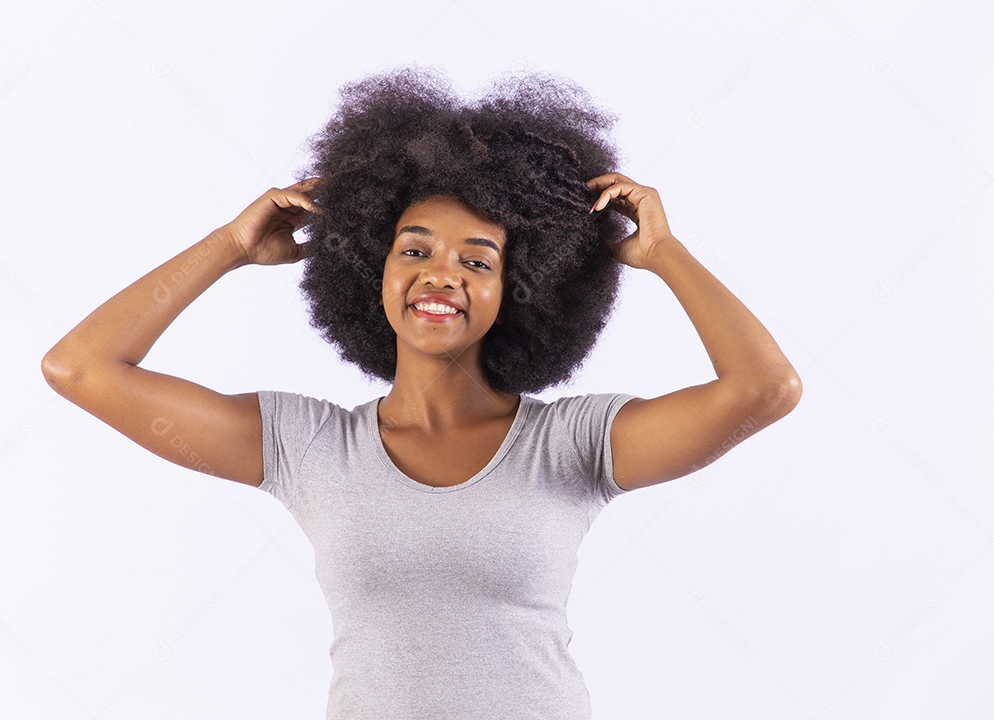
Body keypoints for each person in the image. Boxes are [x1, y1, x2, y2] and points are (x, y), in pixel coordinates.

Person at [41, 67, 801, 719]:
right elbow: (82, 368)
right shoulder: (307, 446)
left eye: (478, 262)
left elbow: (765, 389)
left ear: (517, 290)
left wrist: (665, 253)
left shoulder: (571, 444)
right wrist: (230, 247)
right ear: (374, 269)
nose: (442, 274)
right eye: (415, 250)